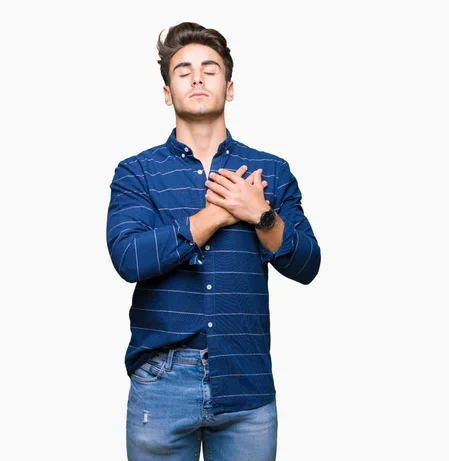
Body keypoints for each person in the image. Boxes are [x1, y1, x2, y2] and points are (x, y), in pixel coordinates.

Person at [106, 21, 321, 460]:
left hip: (247, 379)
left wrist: (260, 214)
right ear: (168, 92)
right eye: (183, 71)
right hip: (162, 384)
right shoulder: (136, 173)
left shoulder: (270, 171)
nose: (198, 77)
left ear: (230, 86)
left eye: (210, 68)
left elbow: (308, 264)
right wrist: (216, 215)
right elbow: (129, 257)